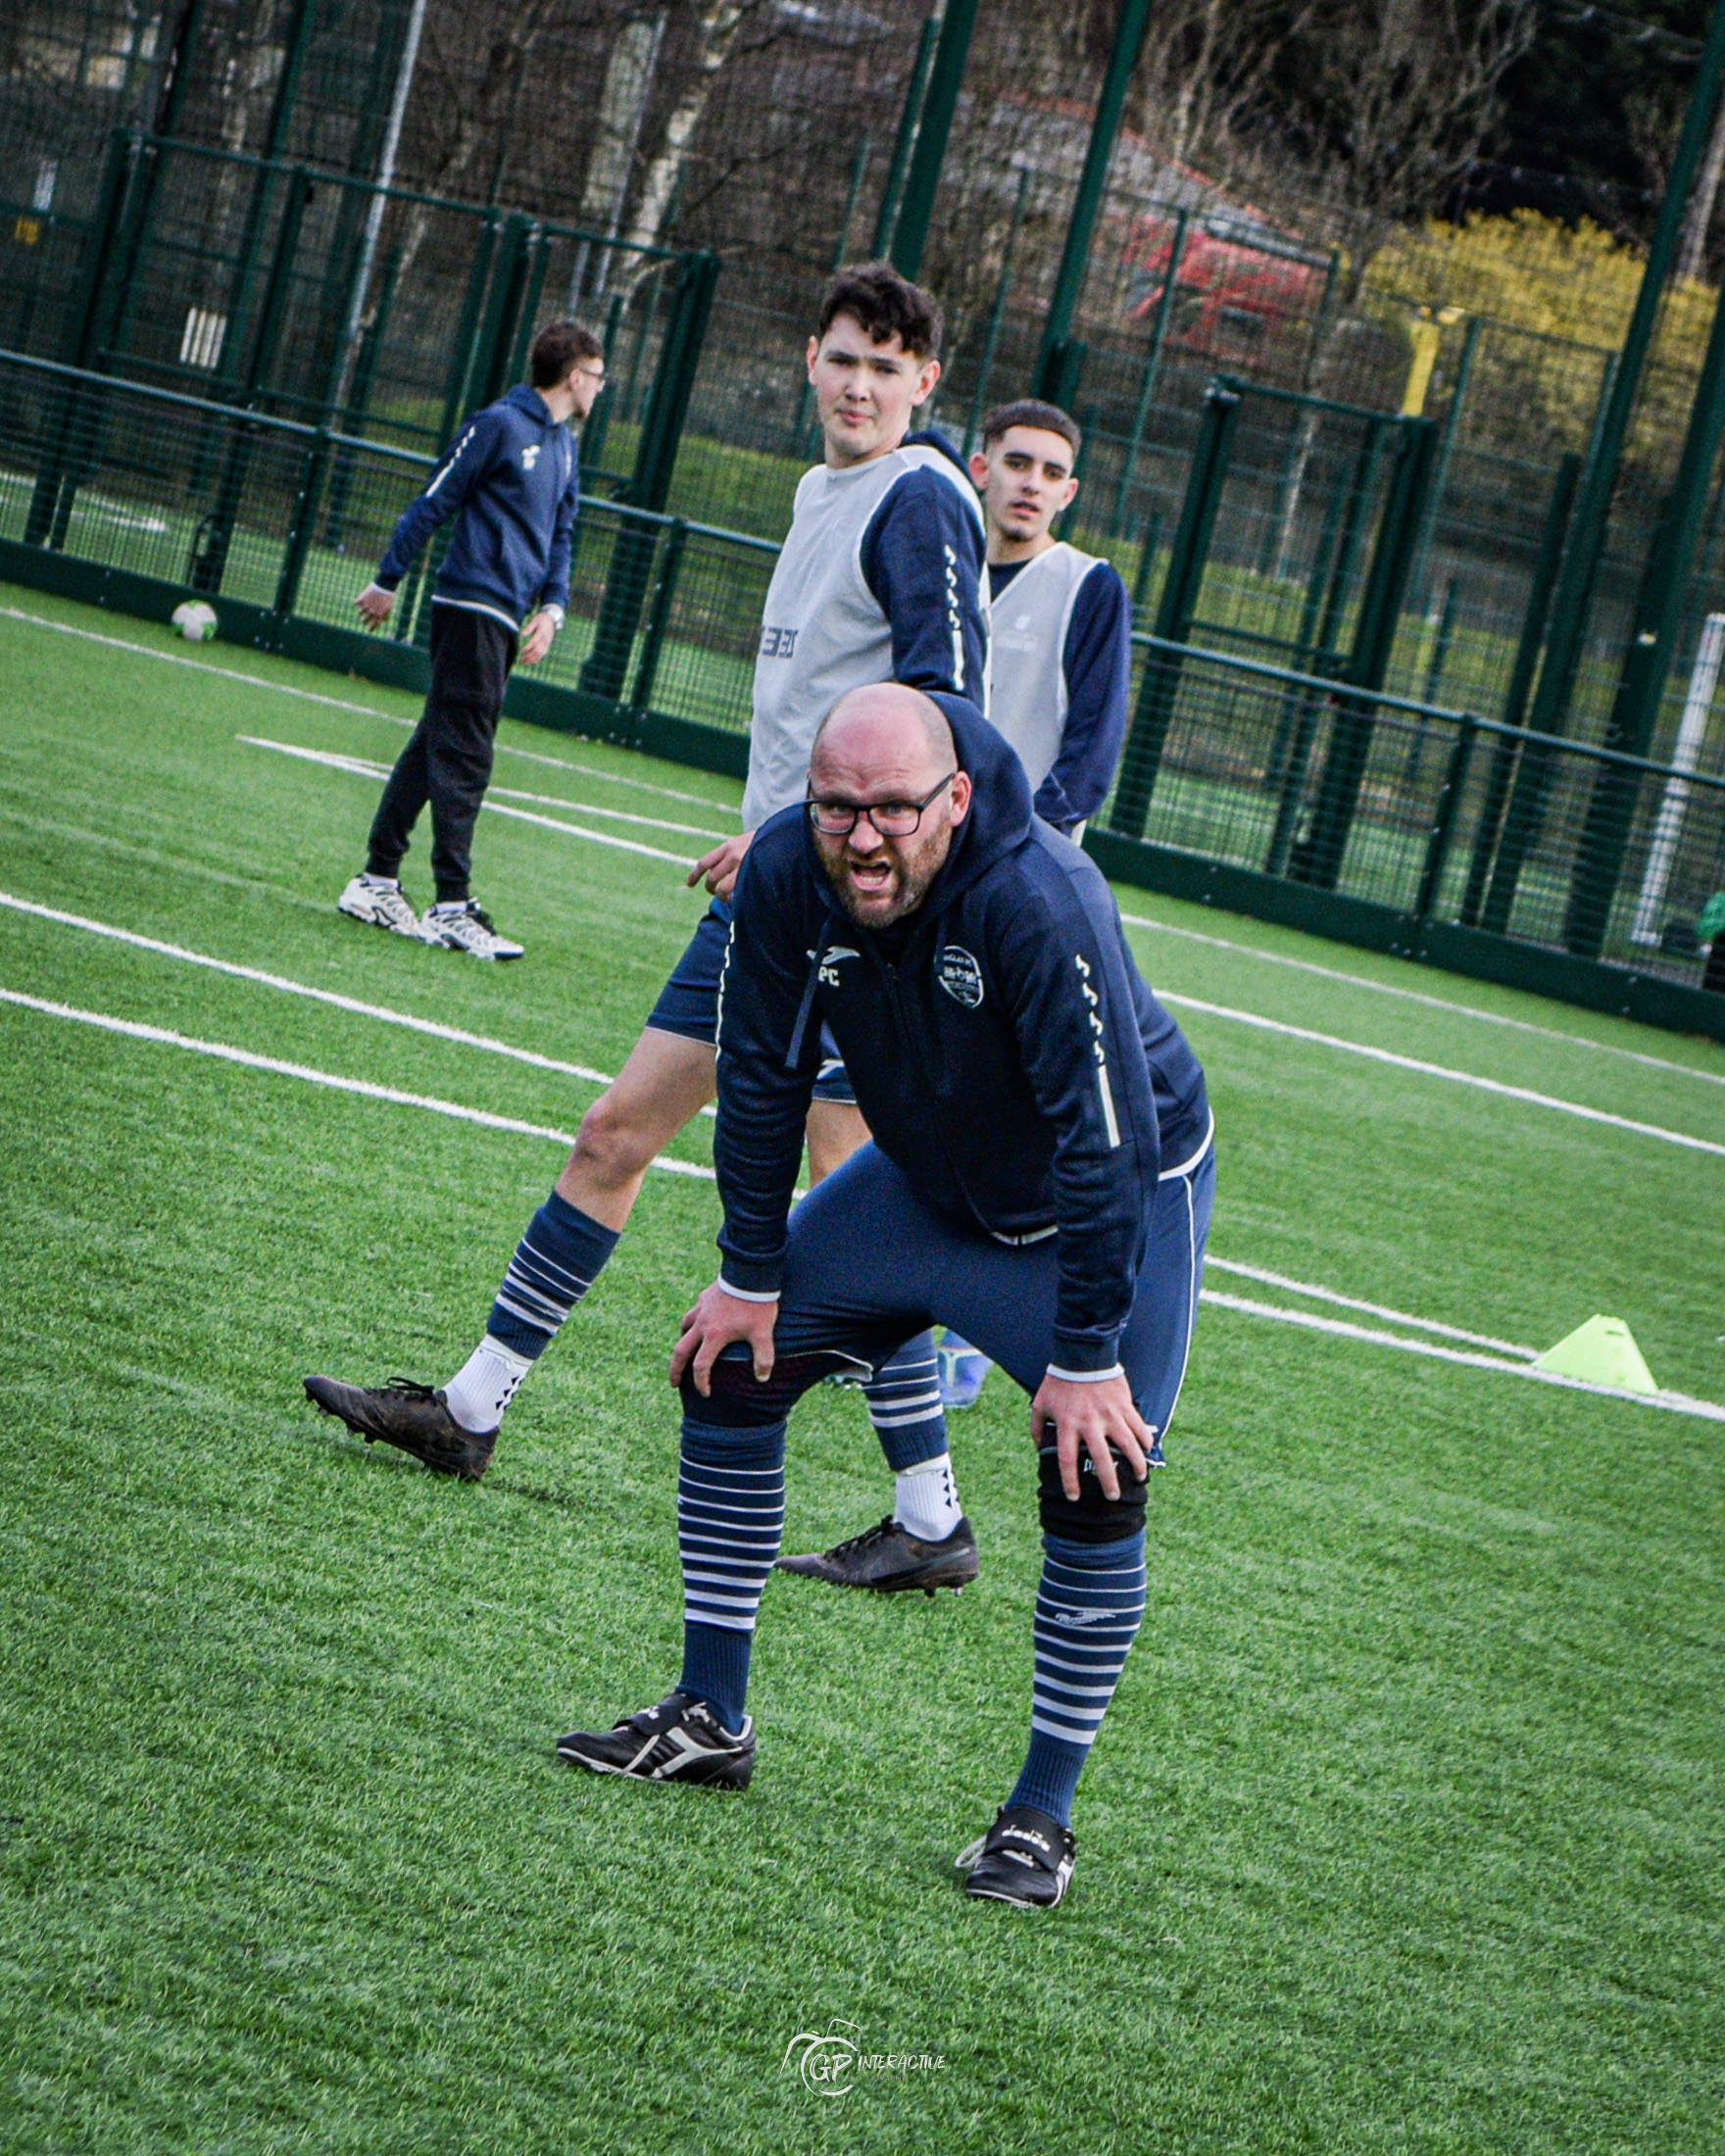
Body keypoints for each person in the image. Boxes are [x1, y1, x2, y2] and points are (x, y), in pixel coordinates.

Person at [303, 264, 991, 1593]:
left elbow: (944, 714)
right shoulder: (820, 492)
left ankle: (931, 1514)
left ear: (924, 385)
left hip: (854, 914)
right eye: (842, 358)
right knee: (615, 1134)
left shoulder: (919, 501)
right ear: (808, 357)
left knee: (855, 1205)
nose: (859, 385)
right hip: (774, 906)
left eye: (887, 368)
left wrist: (802, 832)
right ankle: (472, 1411)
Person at [554, 683, 1213, 1911]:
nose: (862, 837)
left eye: (894, 811)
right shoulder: (790, 880)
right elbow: (756, 1077)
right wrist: (749, 1276)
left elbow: (1105, 1145)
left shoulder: (1040, 896)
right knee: (726, 1360)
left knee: (1096, 1469)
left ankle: (1040, 1819)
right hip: (921, 1180)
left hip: (1098, 1203)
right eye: (835, 808)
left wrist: (1082, 1354)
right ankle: (709, 1714)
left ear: (954, 801)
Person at [335, 318, 605, 960]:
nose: (602, 387)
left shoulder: (565, 448)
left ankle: (376, 879)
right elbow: (435, 499)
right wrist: (387, 579)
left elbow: (562, 535)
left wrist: (554, 610)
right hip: (469, 606)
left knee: (439, 739)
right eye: (598, 375)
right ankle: (450, 903)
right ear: (574, 376)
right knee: (466, 753)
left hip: (508, 616)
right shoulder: (498, 426)